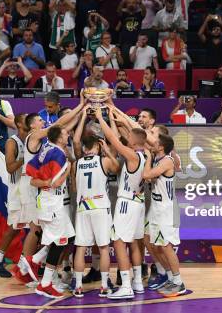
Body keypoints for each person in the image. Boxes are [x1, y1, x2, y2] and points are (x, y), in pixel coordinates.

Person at [95, 107, 147, 299]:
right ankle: (138, 282)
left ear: (133, 141)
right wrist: (112, 116)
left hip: (127, 203)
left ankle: (126, 286)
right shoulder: (145, 155)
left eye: (129, 137)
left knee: (118, 242)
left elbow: (115, 140)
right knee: (133, 243)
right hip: (138, 202)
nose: (127, 138)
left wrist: (101, 118)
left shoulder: (133, 156)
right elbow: (119, 137)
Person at [28, 125, 74, 299]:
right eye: (65, 133)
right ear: (59, 137)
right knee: (60, 242)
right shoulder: (59, 155)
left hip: (47, 201)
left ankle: (35, 259)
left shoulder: (45, 149)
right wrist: (68, 171)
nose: (67, 134)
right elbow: (54, 183)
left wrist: (45, 182)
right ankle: (45, 284)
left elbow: (32, 179)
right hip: (53, 202)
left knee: (69, 236)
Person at [72, 134, 119, 297]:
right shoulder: (103, 161)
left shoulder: (76, 164)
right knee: (104, 247)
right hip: (100, 207)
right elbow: (117, 169)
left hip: (83, 207)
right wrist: (108, 151)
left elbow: (74, 188)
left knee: (80, 247)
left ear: (84, 148)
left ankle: (77, 286)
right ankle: (104, 286)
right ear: (98, 146)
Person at [142, 133, 185, 297]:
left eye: (155, 141)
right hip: (156, 206)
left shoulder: (167, 160)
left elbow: (146, 175)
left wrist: (146, 157)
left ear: (160, 147)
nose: (151, 143)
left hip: (166, 209)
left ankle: (179, 282)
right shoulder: (157, 158)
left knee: (166, 246)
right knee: (154, 244)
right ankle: (169, 276)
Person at [0, 113, 28, 278]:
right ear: (19, 124)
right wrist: (26, 158)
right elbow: (10, 168)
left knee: (36, 227)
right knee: (14, 228)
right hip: (17, 190)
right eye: (25, 119)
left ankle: (26, 264)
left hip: (30, 188)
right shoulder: (12, 142)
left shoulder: (33, 139)